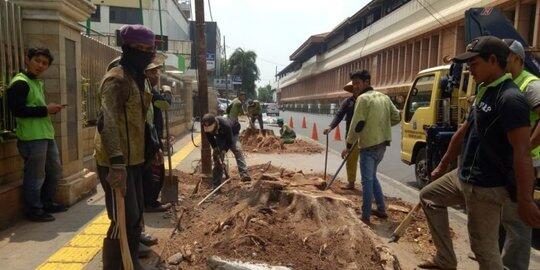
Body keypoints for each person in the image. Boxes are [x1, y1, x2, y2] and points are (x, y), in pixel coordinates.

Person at [419, 36, 540, 270]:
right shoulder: (485, 89)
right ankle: (445, 259)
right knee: (429, 196)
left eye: (474, 64)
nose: (469, 70)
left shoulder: (511, 99)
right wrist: (443, 165)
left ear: (493, 60)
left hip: (485, 186)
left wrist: (525, 200)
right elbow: (464, 131)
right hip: (464, 175)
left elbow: (522, 153)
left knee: (484, 251)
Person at [94, 24, 155, 269]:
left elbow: (141, 120)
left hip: (136, 160)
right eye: (138, 48)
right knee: (121, 218)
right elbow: (106, 122)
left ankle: (129, 261)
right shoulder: (116, 80)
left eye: (147, 49)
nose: (143, 53)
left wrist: (152, 148)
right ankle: (114, 265)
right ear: (125, 48)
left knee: (135, 216)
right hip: (115, 162)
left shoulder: (138, 79)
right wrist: (117, 163)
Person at [6, 47, 67, 222]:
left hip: (45, 135)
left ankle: (46, 203)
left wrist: (48, 110)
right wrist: (46, 109)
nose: (40, 65)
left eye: (45, 63)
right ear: (27, 59)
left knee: (54, 171)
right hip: (32, 138)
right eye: (37, 61)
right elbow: (17, 110)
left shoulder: (35, 82)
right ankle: (34, 209)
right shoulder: (20, 82)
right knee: (35, 175)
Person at [342, 70, 401, 225]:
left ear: (366, 83)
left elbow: (355, 125)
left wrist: (348, 146)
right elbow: (396, 117)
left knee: (366, 181)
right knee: (372, 177)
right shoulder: (384, 97)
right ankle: (381, 209)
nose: (355, 86)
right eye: (353, 83)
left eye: (357, 83)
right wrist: (381, 126)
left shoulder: (362, 99)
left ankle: (365, 216)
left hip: (368, 147)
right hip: (382, 145)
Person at [323, 74, 364, 190]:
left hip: (366, 136)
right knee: (351, 160)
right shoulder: (348, 102)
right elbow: (339, 115)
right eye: (353, 88)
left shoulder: (367, 101)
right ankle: (351, 183)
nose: (356, 89)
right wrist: (330, 127)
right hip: (351, 135)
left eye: (358, 87)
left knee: (366, 162)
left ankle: (368, 186)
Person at [142, 61, 171, 213]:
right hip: (150, 138)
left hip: (152, 136)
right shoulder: (149, 92)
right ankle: (150, 202)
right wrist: (168, 92)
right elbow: (166, 104)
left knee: (153, 170)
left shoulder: (149, 89)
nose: (157, 75)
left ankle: (149, 201)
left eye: (157, 72)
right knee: (155, 171)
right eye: (153, 72)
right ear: (145, 74)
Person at [201, 113, 250, 187]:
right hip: (220, 135)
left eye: (211, 128)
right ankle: (216, 184)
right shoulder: (206, 126)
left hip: (232, 132)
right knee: (217, 157)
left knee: (237, 150)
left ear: (215, 123)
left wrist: (224, 150)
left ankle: (244, 174)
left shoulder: (225, 125)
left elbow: (229, 141)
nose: (210, 131)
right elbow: (210, 138)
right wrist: (215, 148)